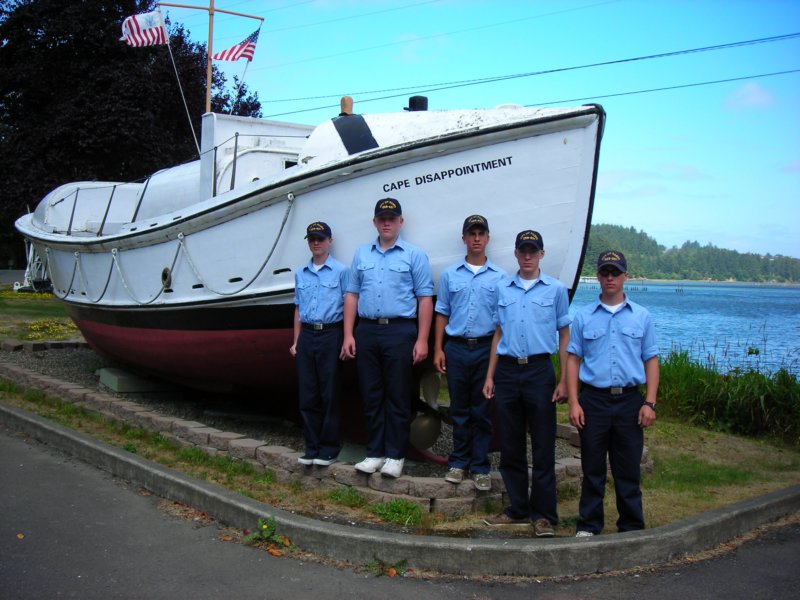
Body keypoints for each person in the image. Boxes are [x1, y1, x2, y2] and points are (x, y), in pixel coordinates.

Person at [481, 230, 570, 538]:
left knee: (543, 445)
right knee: (511, 443)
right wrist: (490, 376)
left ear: (542, 254)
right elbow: (497, 334)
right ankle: (518, 508)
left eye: (533, 251)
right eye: (523, 251)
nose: (528, 256)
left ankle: (544, 515)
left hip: (539, 371)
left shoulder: (555, 290)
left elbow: (564, 336)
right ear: (516, 254)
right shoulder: (502, 288)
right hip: (507, 372)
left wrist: (565, 380)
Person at [566, 250, 659, 537]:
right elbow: (572, 359)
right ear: (598, 276)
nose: (610, 278)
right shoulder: (583, 317)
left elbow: (651, 359)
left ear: (625, 277)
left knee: (627, 469)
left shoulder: (642, 317)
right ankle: (589, 524)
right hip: (594, 399)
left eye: (615, 273)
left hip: (630, 400)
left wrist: (650, 403)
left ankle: (631, 525)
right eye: (605, 273)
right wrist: (574, 401)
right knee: (592, 468)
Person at [341, 198, 434, 478]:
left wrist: (422, 339)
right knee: (371, 394)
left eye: (391, 218)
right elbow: (352, 295)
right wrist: (348, 334)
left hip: (400, 331)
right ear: (375, 222)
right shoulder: (361, 254)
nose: (386, 222)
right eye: (382, 218)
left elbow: (425, 298)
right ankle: (375, 452)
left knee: (398, 394)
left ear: (400, 222)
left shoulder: (414, 255)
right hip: (367, 330)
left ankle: (395, 454)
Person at [433, 215, 506, 491]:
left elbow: (501, 323)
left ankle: (480, 466)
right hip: (457, 348)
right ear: (464, 238)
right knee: (459, 409)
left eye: (481, 233)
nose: (476, 238)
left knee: (482, 411)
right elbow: (442, 313)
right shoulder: (451, 275)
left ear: (488, 239)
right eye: (471, 233)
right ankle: (458, 462)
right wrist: (439, 348)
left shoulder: (500, 278)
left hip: (486, 349)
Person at [290, 222, 349, 467]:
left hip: (330, 334)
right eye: (312, 238)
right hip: (307, 336)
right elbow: (298, 309)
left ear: (329, 241)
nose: (316, 242)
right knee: (308, 394)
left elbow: (348, 307)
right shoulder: (301, 273)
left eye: (321, 238)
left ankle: (329, 448)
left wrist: (347, 338)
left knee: (329, 393)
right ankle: (311, 447)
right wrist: (296, 340)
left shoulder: (341, 272)